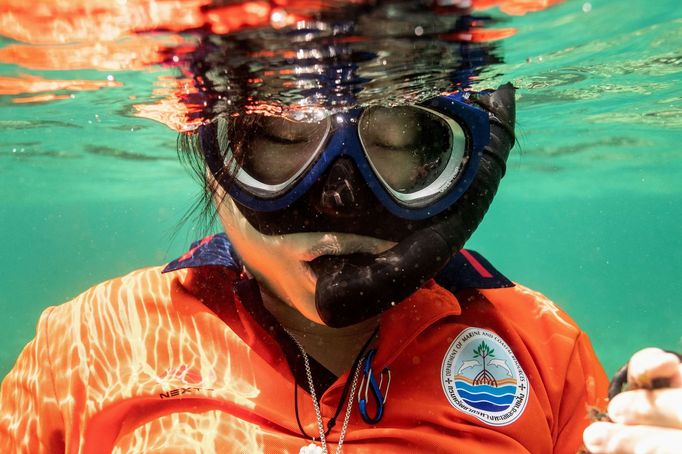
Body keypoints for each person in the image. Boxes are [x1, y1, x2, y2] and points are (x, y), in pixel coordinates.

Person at [1, 2, 679, 453]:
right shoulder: (90, 344)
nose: (339, 200)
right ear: (212, 155)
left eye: (399, 145)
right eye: (278, 138)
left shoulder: (541, 349)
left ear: (458, 168)